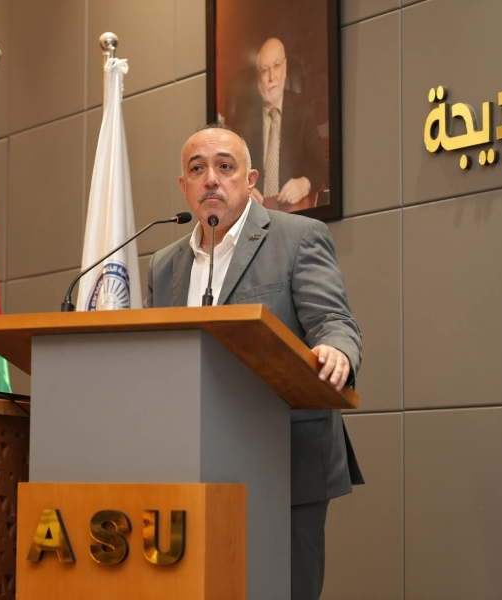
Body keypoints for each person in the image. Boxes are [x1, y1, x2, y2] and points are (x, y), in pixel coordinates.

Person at [145, 124, 363, 600]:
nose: (211, 179)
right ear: (183, 186)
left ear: (250, 180)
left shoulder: (298, 236)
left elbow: (333, 321)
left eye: (225, 166)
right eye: (197, 169)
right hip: (190, 462)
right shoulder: (163, 265)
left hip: (286, 458)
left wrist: (337, 352)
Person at [228, 37, 327, 206]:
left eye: (277, 66)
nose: (272, 77)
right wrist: (243, 189)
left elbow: (319, 164)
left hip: (293, 208)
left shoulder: (303, 108)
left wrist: (305, 183)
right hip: (255, 211)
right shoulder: (243, 116)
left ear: (285, 67)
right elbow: (229, 168)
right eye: (265, 70)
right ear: (258, 77)